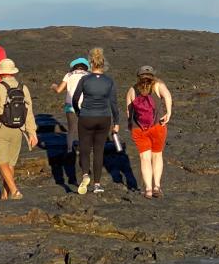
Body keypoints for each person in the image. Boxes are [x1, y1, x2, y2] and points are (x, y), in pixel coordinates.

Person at [0, 58, 38, 200]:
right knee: (10, 163)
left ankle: (14, 191)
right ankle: (4, 196)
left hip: (1, 129)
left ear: (1, 73)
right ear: (13, 73)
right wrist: (32, 132)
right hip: (18, 129)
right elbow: (28, 112)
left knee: (1, 162)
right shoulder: (23, 88)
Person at [71, 47, 120, 195]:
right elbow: (113, 103)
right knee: (99, 151)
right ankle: (97, 184)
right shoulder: (109, 81)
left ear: (91, 63)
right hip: (104, 117)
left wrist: (79, 111)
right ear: (102, 63)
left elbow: (74, 98)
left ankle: (86, 174)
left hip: (86, 116)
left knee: (85, 150)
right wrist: (116, 122)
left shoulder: (85, 79)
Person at [126, 65, 173, 198]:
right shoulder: (158, 85)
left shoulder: (132, 90)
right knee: (157, 155)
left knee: (144, 158)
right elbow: (168, 96)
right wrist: (168, 113)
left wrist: (130, 124)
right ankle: (157, 186)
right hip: (158, 126)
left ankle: (148, 189)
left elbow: (128, 111)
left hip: (138, 128)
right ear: (153, 75)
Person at [51, 57, 89, 153]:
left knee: (71, 128)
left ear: (74, 67)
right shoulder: (89, 75)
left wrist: (54, 86)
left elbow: (59, 90)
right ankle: (82, 148)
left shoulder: (69, 75)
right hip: (85, 106)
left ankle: (69, 149)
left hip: (70, 105)